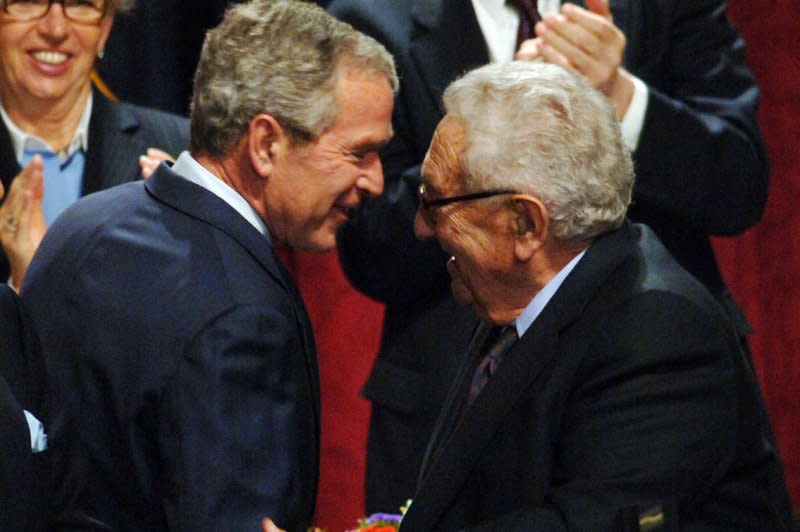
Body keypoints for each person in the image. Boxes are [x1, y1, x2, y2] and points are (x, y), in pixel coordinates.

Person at [327, 0, 768, 513]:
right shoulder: (374, 15)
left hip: (643, 375)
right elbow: (372, 244)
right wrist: (500, 143)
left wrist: (621, 100)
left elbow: (739, 184)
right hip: (449, 388)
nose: (427, 221)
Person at [20, 0, 396, 530]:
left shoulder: (82, 225)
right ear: (265, 143)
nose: (375, 182)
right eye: (359, 153)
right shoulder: (244, 317)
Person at [395, 60, 792, 531]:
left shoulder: (658, 337)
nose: (421, 226)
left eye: (434, 200)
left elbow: (582, 525)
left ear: (525, 225)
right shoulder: (522, 297)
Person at [0, 0, 189, 291]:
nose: (56, 29)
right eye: (29, 1)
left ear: (105, 25)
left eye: (80, 4)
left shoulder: (181, 148)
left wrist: (192, 242)